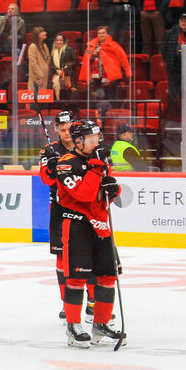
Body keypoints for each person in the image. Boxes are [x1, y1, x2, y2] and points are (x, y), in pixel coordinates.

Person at [54, 119, 126, 348]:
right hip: (77, 227)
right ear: (78, 141)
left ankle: (101, 324)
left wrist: (113, 190)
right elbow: (83, 194)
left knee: (107, 277)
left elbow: (100, 196)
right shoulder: (66, 163)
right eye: (91, 140)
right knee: (76, 278)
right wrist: (96, 167)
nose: (96, 144)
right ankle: (74, 326)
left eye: (98, 139)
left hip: (101, 226)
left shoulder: (100, 160)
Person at [38, 111, 76, 316]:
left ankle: (92, 301)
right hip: (60, 208)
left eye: (69, 128)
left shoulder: (85, 148)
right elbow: (46, 180)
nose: (66, 132)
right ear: (56, 130)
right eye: (62, 129)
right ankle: (66, 301)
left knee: (86, 255)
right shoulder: (49, 151)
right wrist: (52, 168)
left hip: (84, 207)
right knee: (62, 256)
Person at [161, 12, 186, 117]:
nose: (183, 23)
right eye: (181, 21)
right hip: (174, 67)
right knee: (173, 93)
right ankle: (173, 115)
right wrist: (170, 61)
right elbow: (163, 49)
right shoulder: (171, 33)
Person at [79, 26, 132, 100]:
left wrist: (128, 70)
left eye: (103, 33)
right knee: (99, 97)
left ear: (107, 34)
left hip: (110, 76)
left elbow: (123, 58)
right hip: (96, 76)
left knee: (111, 97)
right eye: (99, 33)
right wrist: (94, 53)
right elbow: (86, 57)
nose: (101, 35)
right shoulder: (91, 46)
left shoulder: (114, 45)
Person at [50, 33, 77, 100]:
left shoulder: (69, 49)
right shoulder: (53, 51)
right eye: (57, 40)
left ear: (64, 41)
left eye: (61, 40)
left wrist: (65, 68)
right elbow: (52, 64)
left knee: (67, 95)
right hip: (57, 75)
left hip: (68, 75)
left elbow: (75, 61)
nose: (59, 42)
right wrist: (57, 70)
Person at [27, 26, 50, 91]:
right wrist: (39, 76)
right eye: (42, 32)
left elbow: (48, 60)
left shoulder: (44, 45)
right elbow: (33, 64)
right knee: (35, 98)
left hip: (44, 76)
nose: (45, 33)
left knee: (42, 98)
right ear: (37, 35)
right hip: (37, 78)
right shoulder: (33, 47)